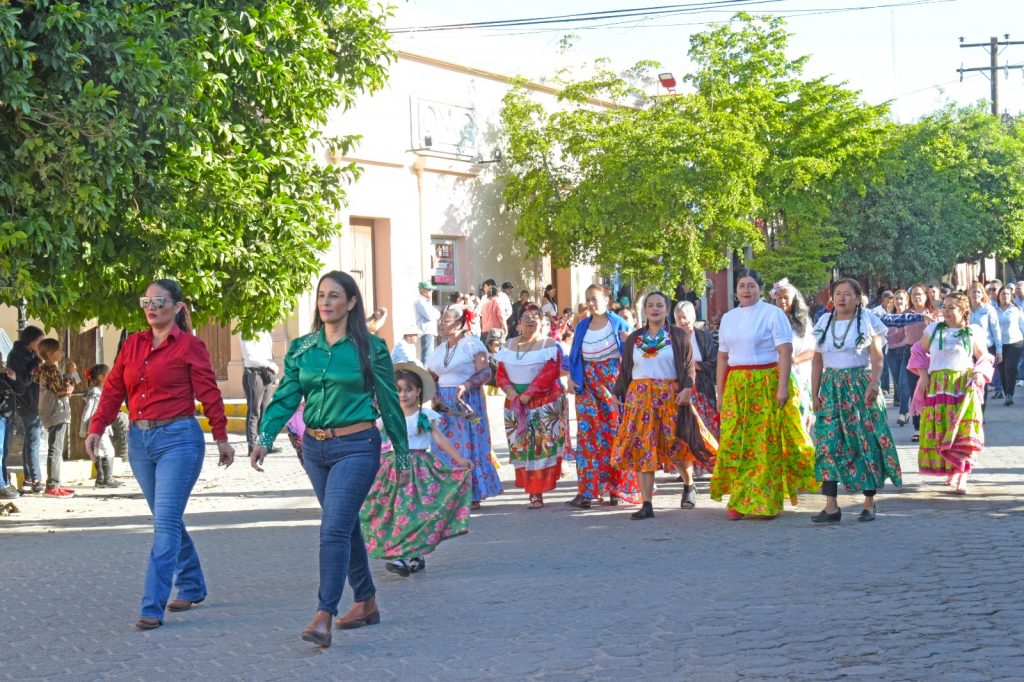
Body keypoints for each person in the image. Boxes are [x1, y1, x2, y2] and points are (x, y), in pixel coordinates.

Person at [250, 271, 406, 648]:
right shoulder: (303, 348)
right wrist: (265, 437)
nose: (326, 302)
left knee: (332, 528)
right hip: (315, 450)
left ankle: (324, 614)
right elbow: (287, 395)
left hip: (357, 445)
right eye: (321, 295)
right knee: (344, 525)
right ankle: (366, 600)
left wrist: (403, 452)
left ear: (351, 303)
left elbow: (388, 398)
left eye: (335, 296)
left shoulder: (371, 348)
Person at [86, 279, 234, 630]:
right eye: (146, 301)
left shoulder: (190, 346)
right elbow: (113, 389)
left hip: (179, 439)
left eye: (158, 301)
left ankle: (152, 605)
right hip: (140, 440)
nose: (151, 307)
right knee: (166, 518)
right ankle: (193, 583)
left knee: (164, 523)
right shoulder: (133, 344)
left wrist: (222, 437)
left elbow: (209, 393)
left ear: (177, 307)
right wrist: (97, 427)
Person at [710, 269, 816, 520]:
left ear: (760, 288)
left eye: (751, 286)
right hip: (737, 383)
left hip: (766, 382)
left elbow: (784, 350)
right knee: (735, 441)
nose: (746, 290)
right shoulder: (729, 317)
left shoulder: (773, 314)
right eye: (741, 286)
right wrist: (720, 392)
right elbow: (723, 358)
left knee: (762, 444)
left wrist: (782, 387)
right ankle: (739, 496)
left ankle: (765, 498)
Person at [610, 291, 717, 519]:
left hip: (670, 397)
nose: (654, 309)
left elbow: (688, 366)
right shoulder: (634, 339)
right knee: (643, 450)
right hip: (639, 400)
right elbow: (626, 369)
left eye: (659, 305)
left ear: (667, 310)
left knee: (677, 447)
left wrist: (687, 388)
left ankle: (689, 485)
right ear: (645, 310)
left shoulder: (678, 336)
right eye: (650, 305)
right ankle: (647, 504)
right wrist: (617, 392)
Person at [361, 363, 473, 577]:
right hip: (392, 469)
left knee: (414, 512)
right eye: (398, 389)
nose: (403, 394)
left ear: (418, 391)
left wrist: (459, 458)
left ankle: (412, 555)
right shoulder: (387, 415)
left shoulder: (424, 415)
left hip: (420, 469)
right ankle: (404, 556)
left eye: (408, 389)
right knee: (396, 512)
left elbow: (439, 438)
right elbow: (374, 441)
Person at [810, 279, 901, 523]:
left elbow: (877, 357)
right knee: (828, 443)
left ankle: (869, 502)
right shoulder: (823, 322)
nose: (842, 298)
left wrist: (874, 382)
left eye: (848, 294)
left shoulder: (867, 321)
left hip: (860, 385)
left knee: (864, 440)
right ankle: (831, 506)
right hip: (831, 387)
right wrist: (814, 392)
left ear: (858, 298)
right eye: (838, 294)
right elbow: (817, 360)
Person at [565, 285, 640, 509]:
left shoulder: (618, 323)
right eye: (588, 299)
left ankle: (616, 489)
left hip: (613, 384)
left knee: (614, 435)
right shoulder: (581, 326)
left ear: (607, 299)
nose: (591, 303)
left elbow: (634, 352)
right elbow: (574, 355)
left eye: (595, 299)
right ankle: (587, 492)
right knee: (587, 437)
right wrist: (571, 377)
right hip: (586, 384)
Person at [912, 291, 991, 494]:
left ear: (963, 310)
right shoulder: (934, 330)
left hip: (960, 386)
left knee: (962, 431)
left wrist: (979, 374)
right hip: (938, 388)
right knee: (943, 430)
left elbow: (983, 357)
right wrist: (923, 375)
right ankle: (952, 469)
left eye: (951, 307)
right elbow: (918, 351)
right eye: (944, 307)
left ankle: (962, 476)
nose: (945, 311)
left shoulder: (972, 332)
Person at [426, 306, 502, 509]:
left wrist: (467, 385)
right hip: (443, 403)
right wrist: (433, 393)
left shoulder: (473, 344)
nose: (442, 324)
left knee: (469, 444)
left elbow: (485, 372)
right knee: (442, 444)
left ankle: (472, 492)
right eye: (442, 320)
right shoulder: (440, 350)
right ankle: (448, 492)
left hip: (467, 399)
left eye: (447, 321)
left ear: (460, 323)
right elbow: (430, 376)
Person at [495, 304, 567, 509]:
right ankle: (528, 485)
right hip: (515, 404)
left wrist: (528, 394)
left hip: (543, 403)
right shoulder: (508, 345)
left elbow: (550, 373)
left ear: (543, 322)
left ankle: (537, 493)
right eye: (526, 317)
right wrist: (512, 393)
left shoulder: (549, 345)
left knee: (539, 449)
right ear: (518, 324)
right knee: (521, 448)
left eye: (536, 316)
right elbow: (500, 373)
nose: (530, 320)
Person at [33, 338, 80, 498]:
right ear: (50, 353)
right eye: (59, 350)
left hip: (52, 412)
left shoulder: (44, 369)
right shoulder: (51, 369)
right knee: (55, 448)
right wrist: (70, 374)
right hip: (56, 413)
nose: (61, 353)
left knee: (56, 448)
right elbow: (62, 391)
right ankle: (52, 485)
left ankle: (56, 482)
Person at [771, 278, 815, 437]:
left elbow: (813, 351)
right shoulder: (770, 319)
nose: (782, 301)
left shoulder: (804, 322)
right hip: (774, 376)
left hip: (799, 376)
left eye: (786, 298)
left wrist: (793, 360)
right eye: (779, 297)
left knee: (799, 420)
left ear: (794, 300)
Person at [7, 325, 45, 494]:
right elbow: (23, 382)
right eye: (40, 341)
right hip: (25, 402)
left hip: (34, 401)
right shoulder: (16, 356)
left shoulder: (29, 354)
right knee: (33, 440)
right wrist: (36, 362)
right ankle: (36, 478)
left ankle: (29, 479)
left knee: (31, 439)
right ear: (31, 341)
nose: (41, 345)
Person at [80, 364, 122, 488]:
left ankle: (100, 478)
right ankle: (108, 478)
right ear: (101, 377)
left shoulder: (101, 392)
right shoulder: (96, 394)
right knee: (109, 450)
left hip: (100, 427)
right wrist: (84, 428)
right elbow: (88, 412)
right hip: (97, 428)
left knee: (99, 451)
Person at [239, 330, 279, 455]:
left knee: (266, 411)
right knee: (254, 411)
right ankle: (252, 447)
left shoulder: (265, 330)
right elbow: (251, 357)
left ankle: (264, 445)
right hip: (254, 373)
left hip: (266, 373)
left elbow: (268, 354)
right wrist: (269, 365)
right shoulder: (246, 329)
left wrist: (272, 375)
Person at [967, 282, 1002, 408]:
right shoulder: (965, 309)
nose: (976, 294)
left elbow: (996, 330)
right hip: (968, 350)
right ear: (969, 293)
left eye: (978, 292)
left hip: (985, 349)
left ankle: (981, 410)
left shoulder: (988, 309)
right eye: (973, 291)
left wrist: (999, 350)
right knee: (968, 379)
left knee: (982, 381)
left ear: (982, 294)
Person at [995, 286, 1024, 405]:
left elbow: (1022, 325)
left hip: (1015, 343)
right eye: (1002, 294)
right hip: (999, 344)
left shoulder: (1016, 309)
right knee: (1001, 370)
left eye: (1007, 294)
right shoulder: (993, 309)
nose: (1005, 296)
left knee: (1010, 368)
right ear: (999, 296)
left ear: (1011, 296)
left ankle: (1009, 394)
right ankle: (1006, 391)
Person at [0, 355, 21, 498]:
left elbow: (20, 391)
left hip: (6, 417)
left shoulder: (4, 377)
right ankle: (1, 485)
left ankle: (5, 482)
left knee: (4, 451)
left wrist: (12, 378)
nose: (2, 362)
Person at [414, 281, 440, 363]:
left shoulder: (426, 301)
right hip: (426, 331)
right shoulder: (420, 301)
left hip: (429, 331)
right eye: (429, 290)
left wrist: (435, 314)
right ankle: (424, 374)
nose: (431, 292)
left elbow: (437, 314)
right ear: (423, 290)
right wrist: (435, 314)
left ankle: (426, 374)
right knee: (427, 356)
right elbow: (430, 316)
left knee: (429, 356)